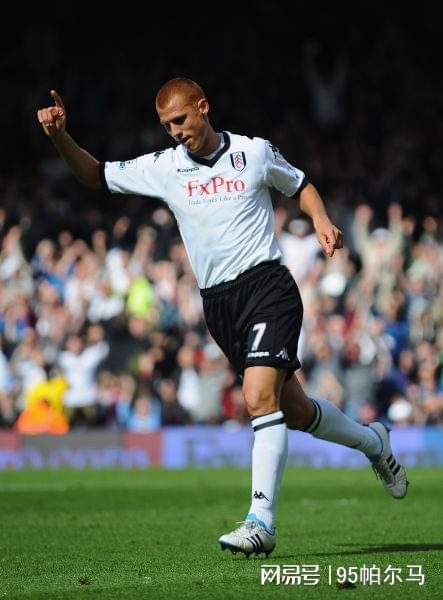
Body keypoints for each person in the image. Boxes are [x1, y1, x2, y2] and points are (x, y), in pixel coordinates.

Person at [37, 78, 408, 558]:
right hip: (219, 306)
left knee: (257, 398)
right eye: (166, 125)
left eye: (180, 120)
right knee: (294, 411)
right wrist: (60, 137)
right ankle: (374, 443)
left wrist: (319, 218)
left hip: (268, 287)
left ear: (203, 107)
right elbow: (95, 175)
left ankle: (261, 522)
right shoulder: (164, 167)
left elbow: (301, 186)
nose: (175, 132)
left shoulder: (254, 152)